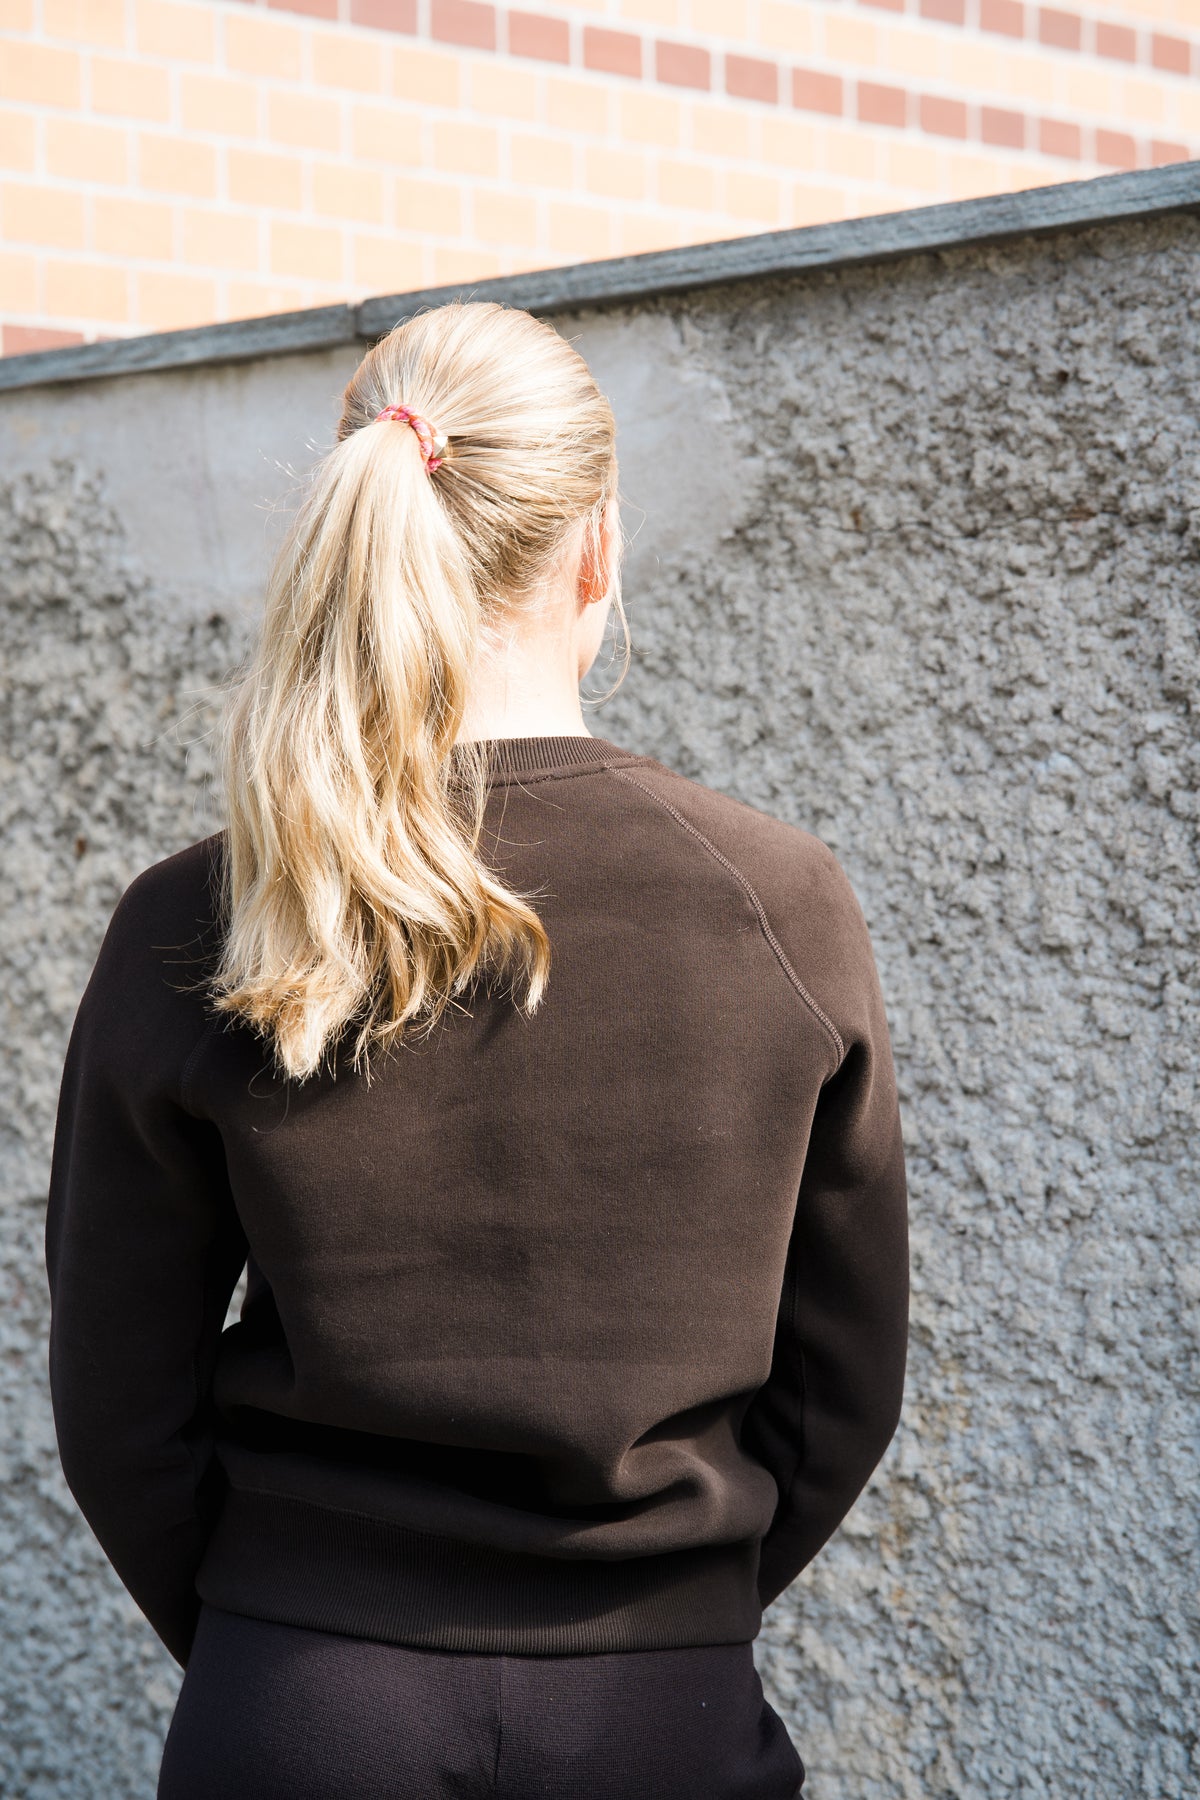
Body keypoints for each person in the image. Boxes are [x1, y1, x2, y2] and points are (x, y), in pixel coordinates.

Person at [43, 298, 910, 1800]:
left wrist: (286, 1642)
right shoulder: (778, 901)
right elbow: (843, 1383)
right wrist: (669, 1616)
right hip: (663, 1722)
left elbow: (120, 1405)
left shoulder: (202, 917)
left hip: (302, 1716)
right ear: (599, 548)